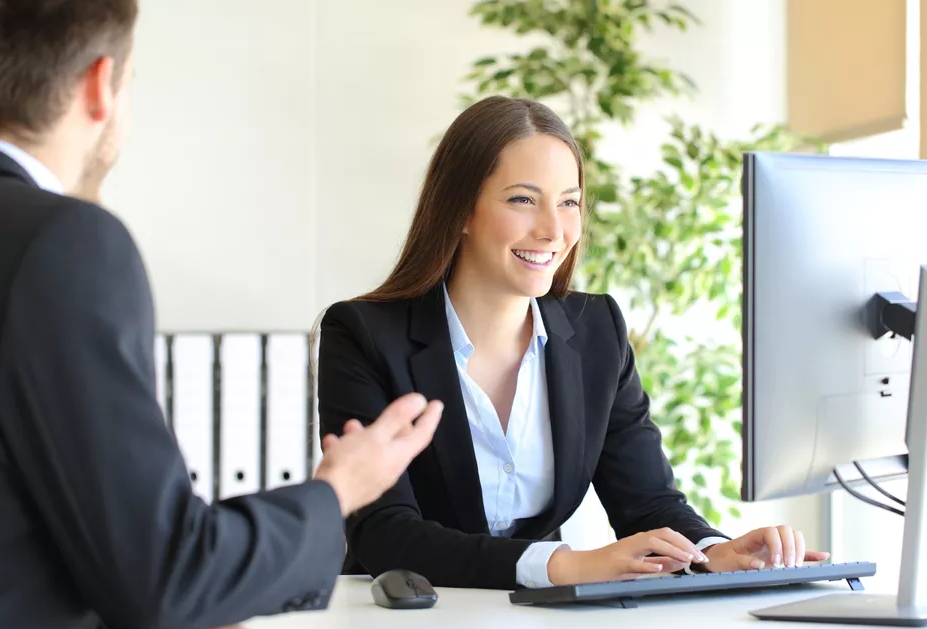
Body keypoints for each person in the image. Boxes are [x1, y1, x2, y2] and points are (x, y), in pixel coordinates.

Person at [0, 1, 442, 629]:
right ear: (100, 84)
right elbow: (166, 572)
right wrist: (338, 490)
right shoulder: (59, 243)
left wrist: (163, 626)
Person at [317, 96, 829, 591]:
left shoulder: (596, 329)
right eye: (523, 200)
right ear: (461, 211)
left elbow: (647, 503)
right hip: (401, 626)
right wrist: (566, 566)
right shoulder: (363, 335)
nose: (553, 230)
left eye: (569, 203)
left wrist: (714, 553)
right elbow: (385, 532)